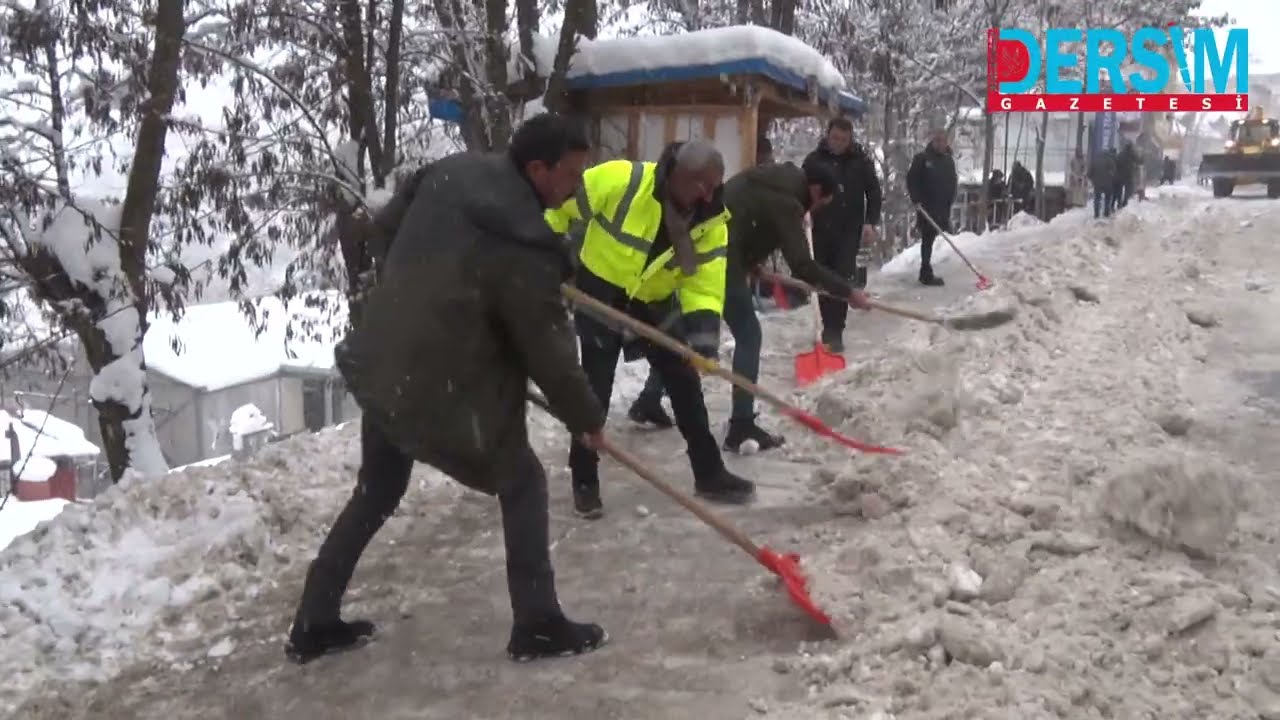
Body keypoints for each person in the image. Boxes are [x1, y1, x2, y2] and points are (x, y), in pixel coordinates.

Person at [286, 114, 609, 666]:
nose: (577, 188)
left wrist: (415, 293)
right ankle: (537, 623)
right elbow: (549, 354)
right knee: (524, 479)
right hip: (439, 379)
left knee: (378, 489)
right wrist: (586, 418)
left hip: (388, 358)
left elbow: (383, 228)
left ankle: (313, 620)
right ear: (537, 168)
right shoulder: (525, 248)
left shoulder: (453, 173)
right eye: (572, 176)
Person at [545, 140, 756, 520]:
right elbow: (555, 208)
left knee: (685, 382)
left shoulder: (711, 220)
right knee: (594, 391)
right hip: (601, 293)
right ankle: (584, 481)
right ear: (672, 172)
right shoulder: (621, 180)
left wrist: (704, 341)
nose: (704, 194)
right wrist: (544, 253)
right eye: (696, 183)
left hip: (655, 301)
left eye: (712, 185)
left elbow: (704, 284)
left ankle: (709, 473)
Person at [624, 161, 872, 453]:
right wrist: (847, 292)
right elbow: (802, 265)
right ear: (816, 191)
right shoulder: (787, 201)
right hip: (717, 260)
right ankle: (741, 425)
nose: (813, 211)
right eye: (820, 204)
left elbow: (741, 216)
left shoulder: (765, 178)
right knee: (748, 335)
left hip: (700, 251)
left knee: (692, 329)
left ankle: (650, 399)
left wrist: (750, 261)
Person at [802, 116, 882, 353]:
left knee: (842, 276)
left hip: (849, 229)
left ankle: (835, 331)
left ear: (850, 140)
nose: (838, 143)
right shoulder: (814, 161)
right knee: (823, 277)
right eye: (835, 137)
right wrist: (802, 214)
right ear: (828, 135)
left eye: (844, 140)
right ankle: (826, 326)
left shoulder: (860, 161)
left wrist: (870, 223)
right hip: (819, 229)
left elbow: (874, 192)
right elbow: (800, 189)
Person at [906, 128, 958, 287]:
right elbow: (912, 179)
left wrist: (950, 200)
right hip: (926, 207)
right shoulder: (922, 159)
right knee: (927, 239)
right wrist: (916, 199)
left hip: (942, 207)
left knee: (933, 238)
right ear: (932, 141)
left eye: (943, 140)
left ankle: (926, 270)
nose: (940, 144)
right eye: (937, 140)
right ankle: (925, 272)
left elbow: (953, 181)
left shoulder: (949, 160)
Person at [1088, 148, 1117, 219]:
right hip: (1108, 183)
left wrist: (1093, 180)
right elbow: (1114, 171)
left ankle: (1096, 214)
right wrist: (1110, 178)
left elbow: (1089, 173)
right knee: (1107, 198)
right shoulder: (1110, 160)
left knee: (1097, 198)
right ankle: (1106, 213)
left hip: (1097, 184)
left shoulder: (1095, 161)